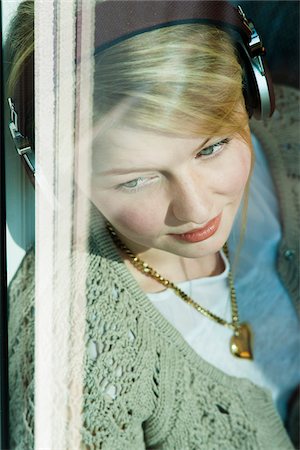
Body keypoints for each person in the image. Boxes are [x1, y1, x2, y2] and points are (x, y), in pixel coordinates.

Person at [6, 1, 299, 448]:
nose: (196, 208)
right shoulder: (78, 342)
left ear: (253, 94)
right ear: (58, 183)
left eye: (212, 147)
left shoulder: (293, 138)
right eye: (137, 180)